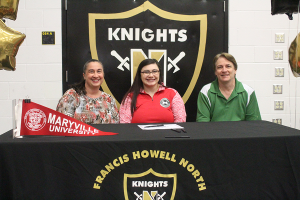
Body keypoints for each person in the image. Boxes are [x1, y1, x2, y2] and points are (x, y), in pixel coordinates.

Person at [196, 52, 261, 122]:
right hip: (214, 133)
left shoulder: (248, 92)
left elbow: (254, 123)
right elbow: (203, 124)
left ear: (235, 70)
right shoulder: (205, 91)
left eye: (228, 66)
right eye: (220, 67)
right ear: (215, 72)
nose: (224, 70)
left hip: (240, 133)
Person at [119, 58, 186, 123]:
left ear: (159, 73)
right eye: (146, 72)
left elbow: (181, 120)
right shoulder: (130, 97)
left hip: (168, 134)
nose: (151, 75)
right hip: (139, 135)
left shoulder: (172, 93)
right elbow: (125, 125)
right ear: (140, 75)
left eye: (154, 71)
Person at [56, 59, 119, 124]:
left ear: (103, 75)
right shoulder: (72, 96)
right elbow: (61, 125)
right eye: (91, 71)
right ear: (84, 76)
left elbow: (115, 127)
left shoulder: (109, 99)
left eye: (99, 71)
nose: (96, 75)